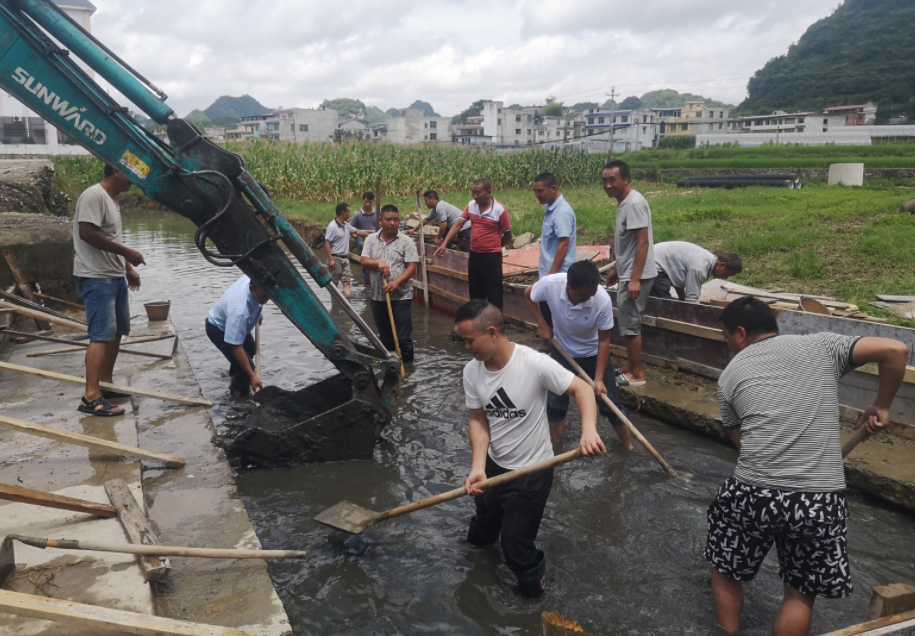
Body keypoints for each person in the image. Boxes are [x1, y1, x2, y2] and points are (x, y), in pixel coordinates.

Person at [706, 297, 907, 636]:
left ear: (740, 333)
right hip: (818, 499)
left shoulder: (729, 377)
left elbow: (744, 447)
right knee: (800, 593)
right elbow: (896, 350)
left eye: (726, 336)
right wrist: (881, 405)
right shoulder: (822, 346)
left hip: (754, 491)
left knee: (726, 572)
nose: (728, 344)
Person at [456, 300, 605, 598]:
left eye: (469, 341)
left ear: (492, 332)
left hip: (531, 472)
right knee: (482, 527)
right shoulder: (472, 372)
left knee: (516, 546)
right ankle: (477, 569)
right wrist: (477, 467)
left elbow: (583, 389)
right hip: (494, 466)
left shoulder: (534, 363)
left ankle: (534, 594)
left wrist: (588, 430)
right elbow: (478, 420)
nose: (466, 348)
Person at [525, 261, 632, 450]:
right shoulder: (551, 284)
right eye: (583, 295)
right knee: (555, 403)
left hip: (593, 354)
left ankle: (628, 447)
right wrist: (542, 324)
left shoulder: (601, 300)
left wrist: (598, 379)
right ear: (569, 286)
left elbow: (604, 341)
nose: (588, 298)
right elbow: (529, 295)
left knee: (610, 404)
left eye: (591, 294)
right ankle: (555, 447)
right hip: (562, 351)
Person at [72, 164, 145, 417]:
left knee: (116, 333)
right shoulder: (94, 195)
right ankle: (90, 396)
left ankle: (104, 384)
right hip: (96, 277)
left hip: (113, 276)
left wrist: (127, 268)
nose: (135, 179)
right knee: (101, 335)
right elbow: (87, 233)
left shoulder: (112, 201)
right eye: (132, 173)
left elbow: (112, 240)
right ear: (116, 170)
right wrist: (128, 253)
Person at [602, 159, 655, 388]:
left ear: (625, 179)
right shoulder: (623, 202)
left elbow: (642, 243)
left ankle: (637, 374)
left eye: (612, 180)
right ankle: (630, 366)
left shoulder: (633, 204)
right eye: (604, 181)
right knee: (626, 323)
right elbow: (628, 245)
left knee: (631, 325)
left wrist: (634, 279)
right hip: (628, 273)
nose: (607, 185)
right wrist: (616, 270)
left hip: (637, 277)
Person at [434, 179, 513, 309]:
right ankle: (478, 320)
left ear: (489, 192)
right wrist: (444, 243)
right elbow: (457, 225)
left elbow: (508, 234)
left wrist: (495, 247)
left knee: (493, 291)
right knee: (475, 290)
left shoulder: (499, 210)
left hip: (492, 256)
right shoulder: (471, 206)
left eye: (478, 193)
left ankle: (496, 322)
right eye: (473, 192)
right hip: (475, 254)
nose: (475, 196)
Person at [360, 205, 419, 363]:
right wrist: (378, 264)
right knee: (385, 337)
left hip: (401, 296)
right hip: (378, 297)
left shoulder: (406, 241)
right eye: (389, 219)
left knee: (404, 339)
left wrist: (397, 282)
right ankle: (390, 367)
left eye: (396, 219)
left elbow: (412, 266)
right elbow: (364, 260)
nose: (393, 223)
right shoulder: (371, 240)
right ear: (381, 221)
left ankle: (407, 369)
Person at [205, 276, 271, 397]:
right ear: (251, 288)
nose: (266, 300)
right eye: (262, 297)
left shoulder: (251, 278)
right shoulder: (240, 312)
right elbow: (236, 347)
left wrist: (258, 311)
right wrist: (252, 376)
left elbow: (260, 293)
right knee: (247, 370)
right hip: (219, 330)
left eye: (268, 296)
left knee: (251, 350)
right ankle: (238, 397)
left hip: (234, 322)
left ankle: (235, 375)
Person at [651, 241, 743, 304]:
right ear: (721, 265)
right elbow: (692, 299)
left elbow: (678, 280)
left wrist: (682, 301)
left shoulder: (706, 260)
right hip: (653, 263)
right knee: (664, 304)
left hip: (655, 258)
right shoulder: (700, 267)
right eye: (727, 274)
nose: (726, 278)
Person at [324, 202, 370, 298]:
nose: (349, 214)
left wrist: (370, 235)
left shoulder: (346, 225)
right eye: (348, 212)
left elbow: (357, 231)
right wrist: (331, 259)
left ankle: (348, 305)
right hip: (335, 258)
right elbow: (327, 243)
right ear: (343, 213)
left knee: (347, 282)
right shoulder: (332, 226)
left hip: (345, 258)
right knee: (334, 283)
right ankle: (334, 306)